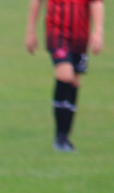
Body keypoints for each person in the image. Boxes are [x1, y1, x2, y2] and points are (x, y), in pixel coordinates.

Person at [25, 0, 105, 152]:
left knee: (74, 82)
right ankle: (60, 137)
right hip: (57, 35)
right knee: (65, 76)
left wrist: (98, 32)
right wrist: (31, 31)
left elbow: (96, 3)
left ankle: (65, 138)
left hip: (81, 37)